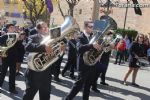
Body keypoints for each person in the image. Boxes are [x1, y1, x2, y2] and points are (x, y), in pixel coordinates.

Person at [65, 21, 101, 100]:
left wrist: (98, 55)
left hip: (92, 65)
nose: (92, 28)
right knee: (78, 86)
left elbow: (95, 50)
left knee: (87, 86)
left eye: (92, 27)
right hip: (83, 65)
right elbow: (79, 49)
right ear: (85, 27)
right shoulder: (80, 37)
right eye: (90, 26)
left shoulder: (93, 37)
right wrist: (91, 45)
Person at [23, 22, 53, 100]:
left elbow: (55, 55)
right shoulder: (33, 37)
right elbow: (28, 46)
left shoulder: (52, 39)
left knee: (45, 96)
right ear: (38, 29)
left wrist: (61, 50)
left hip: (46, 73)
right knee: (29, 96)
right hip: (33, 73)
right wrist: (43, 47)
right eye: (44, 27)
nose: (46, 28)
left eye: (47, 26)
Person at [0, 23, 18, 94]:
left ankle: (12, 89)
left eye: (13, 27)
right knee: (2, 73)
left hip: (13, 58)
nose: (13, 28)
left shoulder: (16, 36)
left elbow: (19, 47)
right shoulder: (3, 37)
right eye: (11, 27)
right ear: (7, 28)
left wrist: (20, 40)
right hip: (5, 57)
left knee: (12, 74)